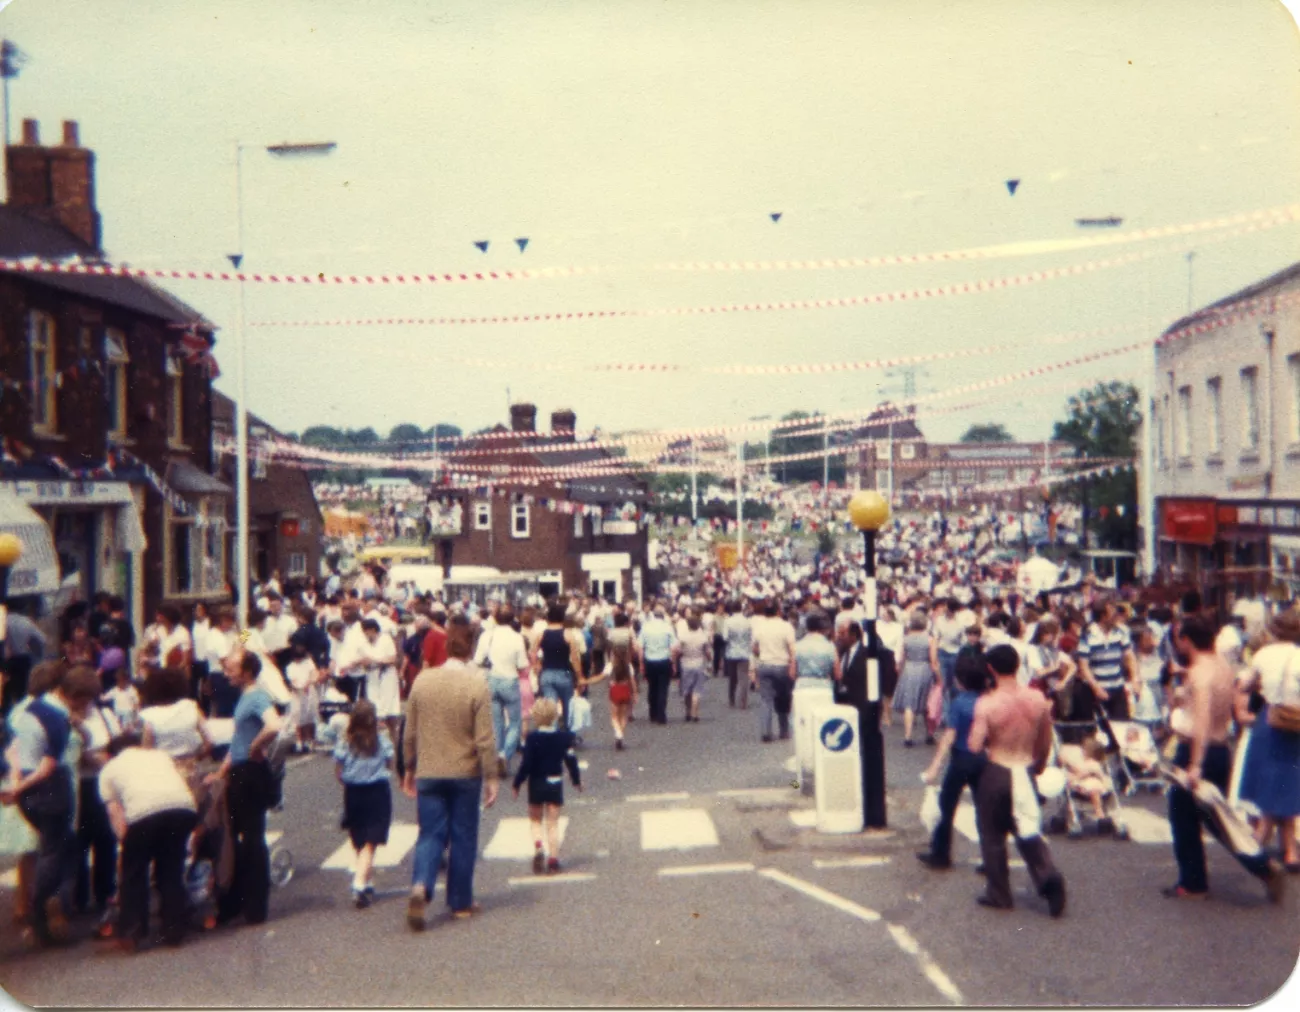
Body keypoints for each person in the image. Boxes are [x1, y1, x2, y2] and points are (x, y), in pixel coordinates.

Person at [1165, 613, 1284, 901]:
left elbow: (1202, 719)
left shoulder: (1198, 672)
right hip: (1221, 748)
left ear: (1187, 640)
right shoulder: (1222, 666)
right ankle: (1262, 864)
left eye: (1180, 637)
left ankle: (1193, 884)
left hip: (1199, 750)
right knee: (1219, 820)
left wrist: (1194, 764)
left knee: (1182, 815)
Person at [402, 613, 498, 930]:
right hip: (465, 771)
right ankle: (460, 901)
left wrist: (408, 766)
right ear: (470, 649)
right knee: (463, 835)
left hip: (429, 769)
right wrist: (492, 776)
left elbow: (410, 732)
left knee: (430, 834)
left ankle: (421, 884)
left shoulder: (423, 681)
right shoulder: (476, 684)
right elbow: (485, 738)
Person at [1, 664, 101, 945]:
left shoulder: (32, 711)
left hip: (35, 788)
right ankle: (44, 909)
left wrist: (16, 783)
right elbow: (48, 765)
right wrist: (17, 788)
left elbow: (12, 750)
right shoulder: (55, 717)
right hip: (51, 788)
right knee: (52, 853)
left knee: (55, 849)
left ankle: (44, 907)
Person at [966, 644, 1067, 917]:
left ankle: (999, 893)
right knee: (1028, 828)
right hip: (1025, 766)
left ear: (991, 670)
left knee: (992, 833)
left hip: (998, 767)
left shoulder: (988, 703)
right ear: (1017, 666)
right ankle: (1047, 875)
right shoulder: (1037, 699)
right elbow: (1045, 741)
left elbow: (975, 745)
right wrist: (1041, 765)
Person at [97, 734, 199, 951]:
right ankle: (174, 929)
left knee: (133, 873)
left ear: (109, 754)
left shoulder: (109, 770)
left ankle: (131, 932)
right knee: (171, 868)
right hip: (182, 808)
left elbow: (115, 813)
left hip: (144, 814)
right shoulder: (160, 756)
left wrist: (128, 846)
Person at [208, 651, 283, 927]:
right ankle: (238, 900)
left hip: (250, 773)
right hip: (239, 770)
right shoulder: (245, 697)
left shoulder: (257, 696)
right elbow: (238, 739)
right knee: (236, 836)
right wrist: (221, 772)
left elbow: (274, 725)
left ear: (248, 671)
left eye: (231, 669)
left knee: (251, 838)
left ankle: (254, 906)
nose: (227, 673)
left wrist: (256, 746)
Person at [1235, 610, 1300, 871]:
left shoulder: (1264, 654)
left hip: (1271, 720)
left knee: (1270, 779)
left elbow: (1245, 685)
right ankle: (1290, 850)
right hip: (1297, 723)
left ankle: (1261, 836)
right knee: (1291, 782)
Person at [917, 654, 990, 870]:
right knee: (983, 809)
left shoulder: (960, 703)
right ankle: (990, 859)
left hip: (961, 759)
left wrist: (934, 767)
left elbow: (949, 737)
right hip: (984, 759)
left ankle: (941, 854)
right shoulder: (987, 702)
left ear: (960, 680)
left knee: (946, 806)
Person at [512, 697, 583, 874]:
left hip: (536, 782)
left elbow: (526, 763)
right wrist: (576, 780)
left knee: (535, 820)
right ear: (554, 716)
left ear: (535, 716)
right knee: (553, 823)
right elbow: (571, 760)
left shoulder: (532, 738)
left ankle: (538, 845)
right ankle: (553, 860)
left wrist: (517, 783)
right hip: (555, 782)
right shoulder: (563, 737)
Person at [334, 699, 394, 908]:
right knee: (371, 840)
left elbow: (338, 771)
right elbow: (390, 763)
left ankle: (367, 881)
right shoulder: (381, 741)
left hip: (353, 793)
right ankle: (359, 884)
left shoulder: (345, 742)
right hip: (377, 792)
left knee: (359, 838)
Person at [474, 605, 531, 777]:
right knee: (515, 722)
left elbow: (477, 659)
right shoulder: (517, 637)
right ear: (513, 618)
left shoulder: (487, 636)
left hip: (491, 679)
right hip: (510, 679)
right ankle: (506, 754)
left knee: (496, 722)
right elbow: (522, 664)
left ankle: (498, 752)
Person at [1077, 598, 1139, 721]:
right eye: (1113, 613)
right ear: (1103, 616)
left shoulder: (1122, 631)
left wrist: (1135, 679)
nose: (1117, 616)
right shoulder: (1088, 634)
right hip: (1095, 689)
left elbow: (1130, 656)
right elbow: (1083, 665)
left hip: (1117, 686)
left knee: (1122, 725)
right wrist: (1096, 688)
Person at [751, 599, 796, 743]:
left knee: (766, 700)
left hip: (765, 664)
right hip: (782, 664)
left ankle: (766, 731)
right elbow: (792, 648)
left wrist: (760, 657)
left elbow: (754, 648)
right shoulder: (786, 626)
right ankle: (783, 730)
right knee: (783, 698)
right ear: (778, 611)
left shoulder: (759, 627)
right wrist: (793, 664)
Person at [534, 602, 583, 729]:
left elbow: (532, 653)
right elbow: (575, 658)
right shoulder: (568, 635)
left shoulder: (541, 634)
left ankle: (552, 734)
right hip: (564, 673)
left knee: (551, 708)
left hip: (547, 673)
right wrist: (580, 676)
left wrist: (536, 667)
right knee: (568, 707)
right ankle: (568, 737)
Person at [893, 614, 938, 747]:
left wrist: (900, 672)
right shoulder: (930, 640)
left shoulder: (905, 639)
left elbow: (901, 658)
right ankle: (929, 734)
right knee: (927, 703)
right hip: (924, 669)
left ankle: (908, 736)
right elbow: (933, 661)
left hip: (909, 668)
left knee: (909, 704)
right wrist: (939, 678)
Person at [637, 604, 677, 726]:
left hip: (650, 660)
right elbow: (674, 647)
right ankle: (661, 715)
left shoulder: (646, 627)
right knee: (663, 688)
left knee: (652, 687)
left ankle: (652, 712)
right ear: (663, 616)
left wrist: (641, 663)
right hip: (664, 660)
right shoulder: (668, 627)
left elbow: (640, 647)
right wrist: (674, 663)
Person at [676, 610, 712, 723]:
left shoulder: (683, 636)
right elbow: (708, 652)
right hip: (699, 663)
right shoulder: (703, 637)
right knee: (697, 689)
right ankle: (695, 713)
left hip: (686, 663)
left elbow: (677, 650)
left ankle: (687, 711)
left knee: (687, 689)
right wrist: (710, 662)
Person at [794, 611, 841, 685]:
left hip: (802, 690)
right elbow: (838, 675)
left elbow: (792, 673)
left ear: (807, 627)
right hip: (824, 689)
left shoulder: (797, 646)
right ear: (823, 628)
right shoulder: (830, 647)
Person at [722, 600, 754, 710]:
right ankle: (743, 701)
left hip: (731, 651)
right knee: (744, 677)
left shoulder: (728, 621)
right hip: (745, 651)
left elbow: (725, 637)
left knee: (732, 677)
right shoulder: (747, 621)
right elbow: (751, 637)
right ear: (741, 608)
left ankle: (731, 698)